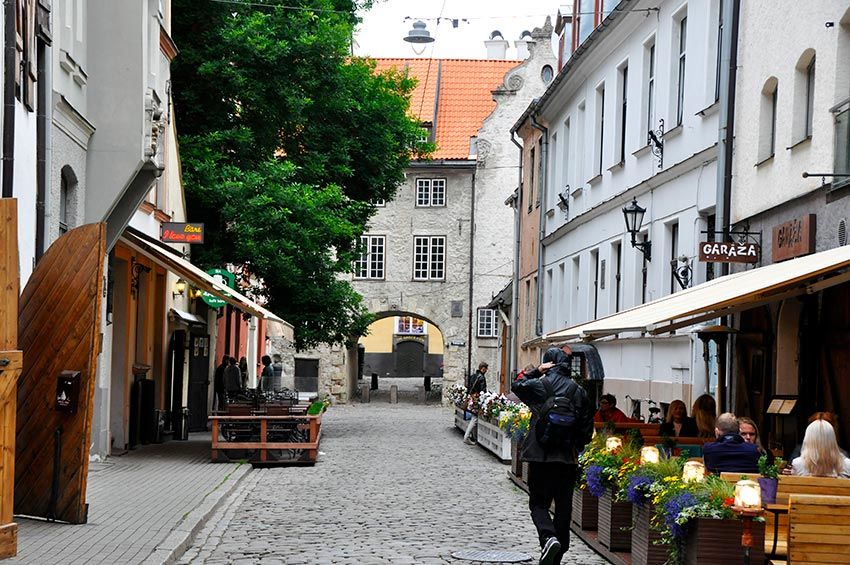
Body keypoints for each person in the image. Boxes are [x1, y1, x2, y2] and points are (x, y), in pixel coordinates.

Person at [512, 347, 593, 565]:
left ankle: (548, 538)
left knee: (538, 504)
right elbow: (586, 432)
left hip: (540, 456)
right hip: (567, 459)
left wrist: (536, 371)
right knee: (563, 509)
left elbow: (517, 385)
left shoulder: (541, 385)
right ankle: (557, 553)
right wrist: (573, 445)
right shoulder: (579, 391)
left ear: (549, 364)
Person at [463, 362, 488, 445]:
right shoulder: (481, 377)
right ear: (483, 369)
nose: (486, 371)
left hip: (471, 398)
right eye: (486, 369)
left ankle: (474, 437)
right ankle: (466, 437)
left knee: (474, 417)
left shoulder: (473, 376)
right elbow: (483, 391)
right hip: (476, 399)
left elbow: (468, 387)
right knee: (474, 418)